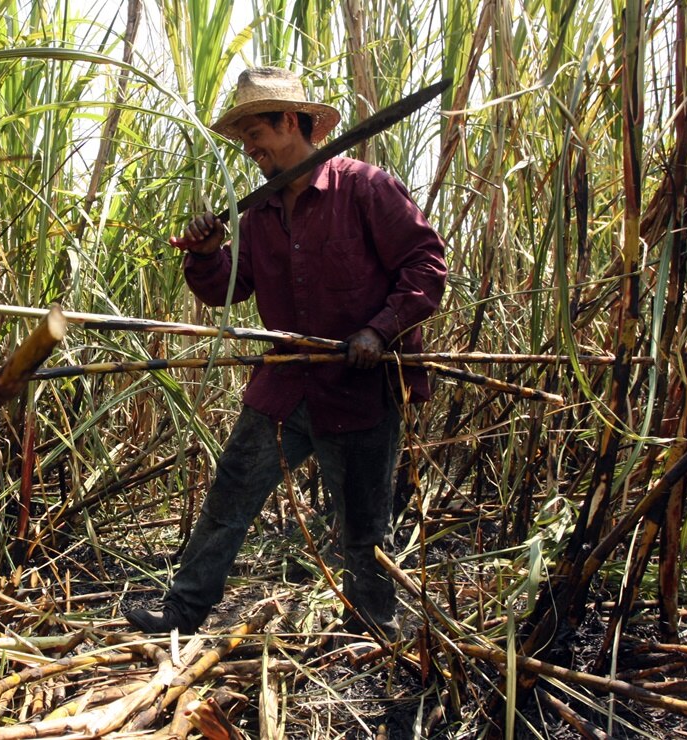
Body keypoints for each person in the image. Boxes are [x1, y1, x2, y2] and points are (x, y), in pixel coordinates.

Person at [125, 67, 447, 635]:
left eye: (257, 133)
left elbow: (426, 265)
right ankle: (183, 611)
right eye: (244, 137)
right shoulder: (259, 214)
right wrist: (205, 255)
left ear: (293, 122)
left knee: (364, 527)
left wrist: (378, 330)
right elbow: (232, 288)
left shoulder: (366, 188)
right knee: (229, 497)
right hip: (284, 386)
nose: (249, 148)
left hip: (359, 389)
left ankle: (374, 631)